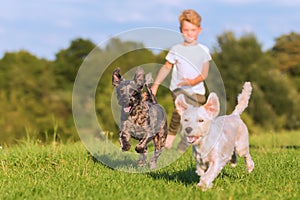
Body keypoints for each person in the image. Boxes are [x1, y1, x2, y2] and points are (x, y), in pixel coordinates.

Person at [151, 9, 212, 151]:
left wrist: (191, 82)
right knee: (181, 111)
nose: (189, 33)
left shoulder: (203, 50)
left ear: (199, 30)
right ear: (181, 30)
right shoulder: (176, 49)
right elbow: (166, 67)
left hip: (197, 91)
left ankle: (183, 144)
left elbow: (204, 74)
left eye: (193, 30)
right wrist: (155, 85)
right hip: (178, 89)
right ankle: (171, 139)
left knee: (191, 117)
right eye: (186, 30)